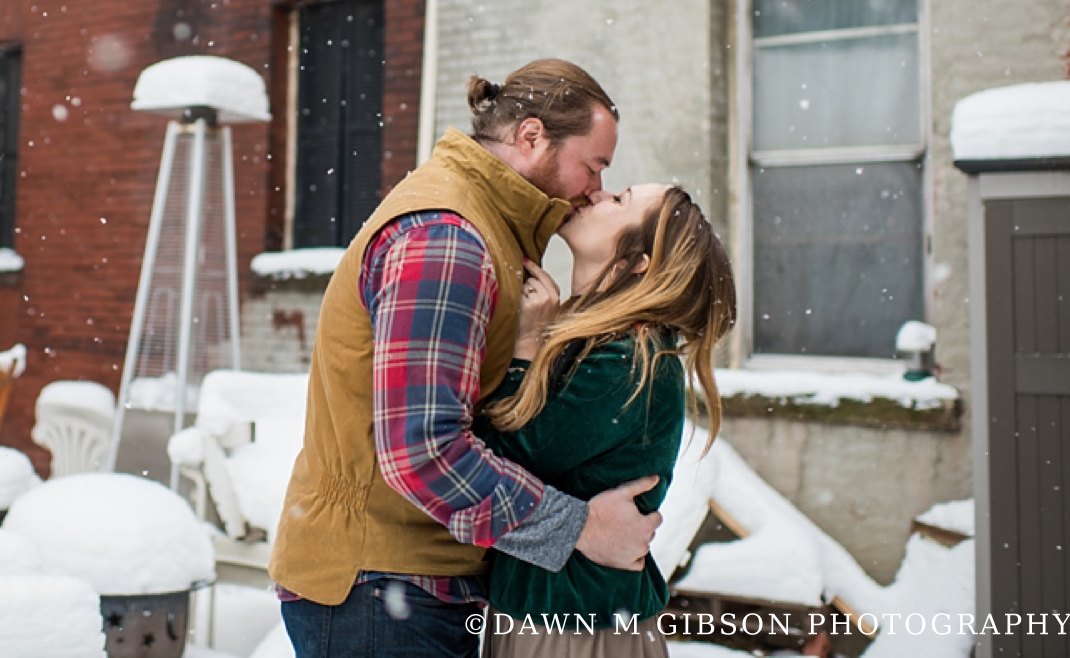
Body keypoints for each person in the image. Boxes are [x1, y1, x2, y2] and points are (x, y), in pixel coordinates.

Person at [270, 59, 663, 658]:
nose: (596, 188)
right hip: (381, 589)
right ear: (531, 136)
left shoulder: (489, 228)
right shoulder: (449, 239)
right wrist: (578, 528)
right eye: (594, 165)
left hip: (411, 585)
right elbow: (423, 451)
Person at [475, 183, 738, 658]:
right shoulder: (596, 344)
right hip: (552, 619)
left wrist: (522, 353)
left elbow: (500, 456)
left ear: (639, 261)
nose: (597, 195)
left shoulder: (630, 362)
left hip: (574, 632)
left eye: (620, 201)